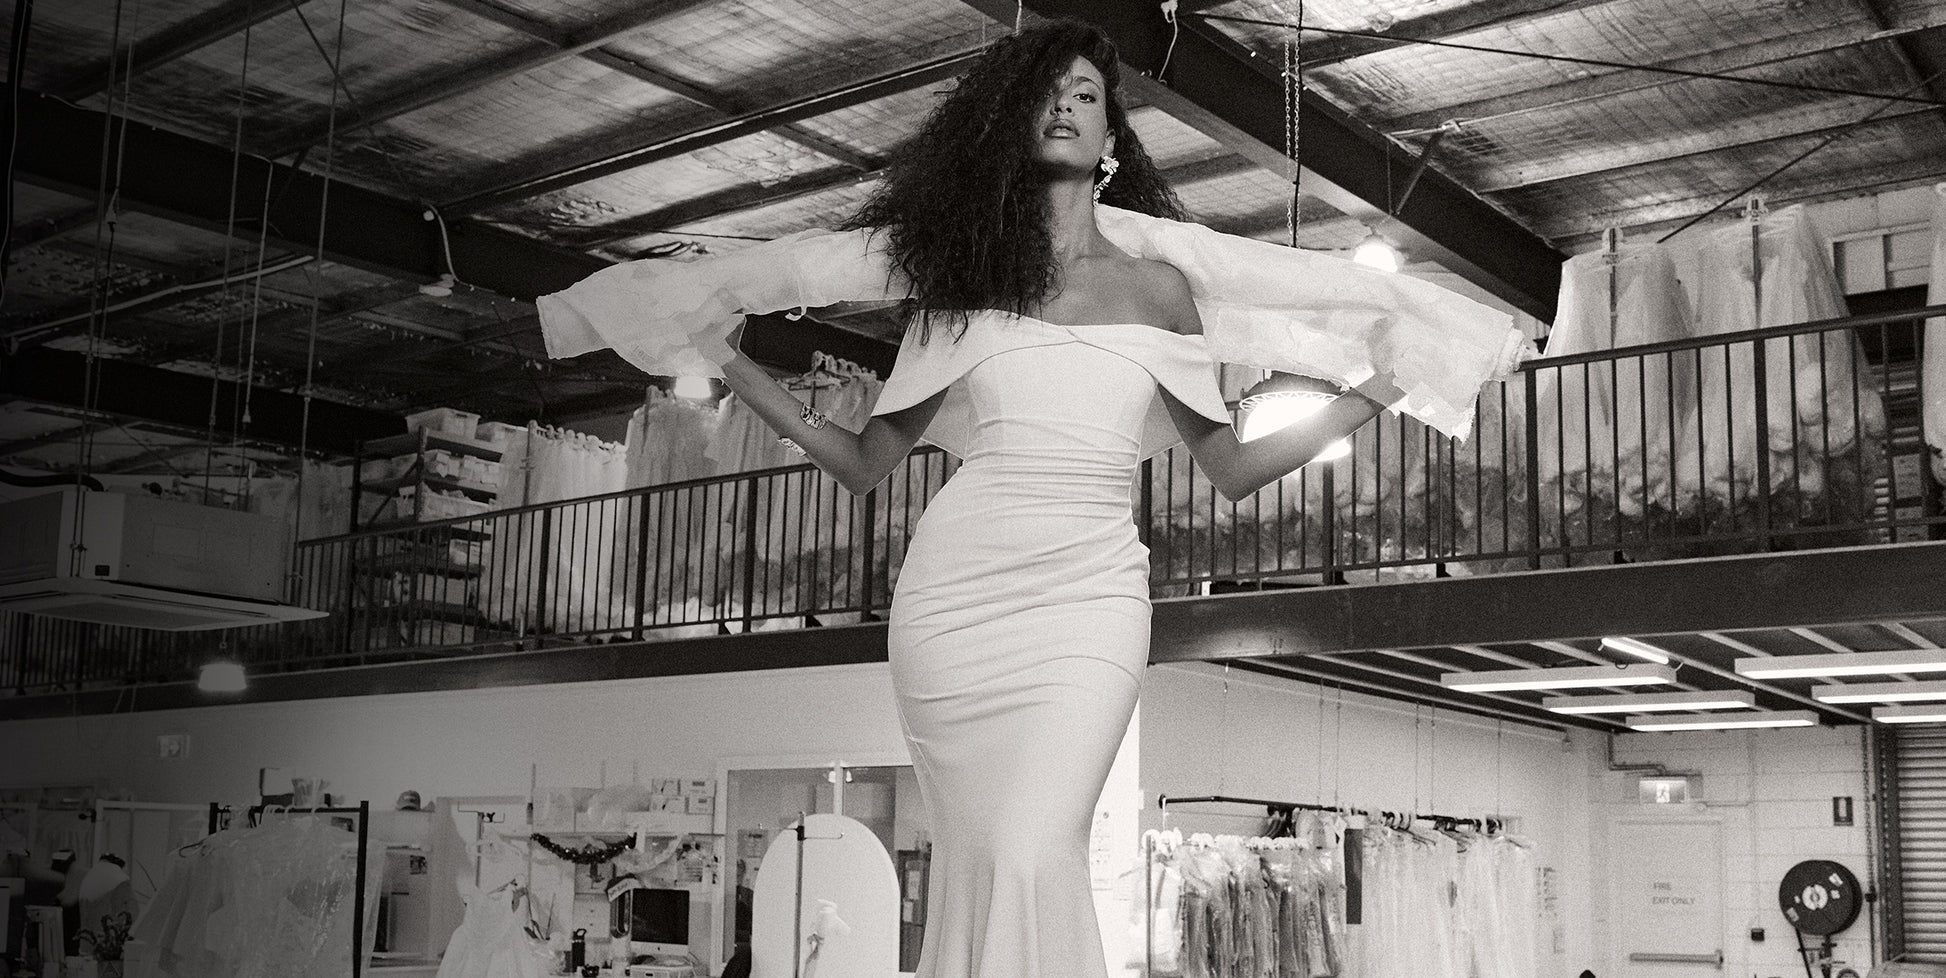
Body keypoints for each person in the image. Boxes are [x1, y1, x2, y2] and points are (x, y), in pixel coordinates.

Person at [538, 19, 1527, 978]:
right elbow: (858, 461)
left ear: (1111, 141)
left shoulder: (1160, 290)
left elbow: (1227, 468)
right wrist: (725, 358)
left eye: (1086, 95)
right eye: (1046, 94)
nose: (1065, 108)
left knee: (1028, 845)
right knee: (982, 852)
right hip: (954, 601)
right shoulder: (960, 291)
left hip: (1089, 599)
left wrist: (1372, 392)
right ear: (1010, 127)